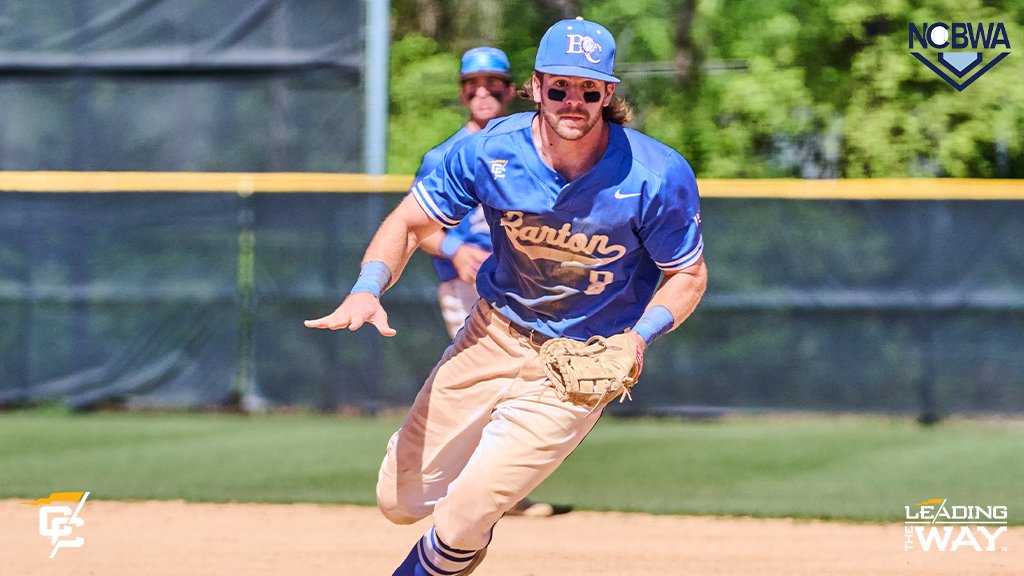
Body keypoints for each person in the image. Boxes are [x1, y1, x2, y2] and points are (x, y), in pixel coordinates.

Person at [305, 17, 707, 575]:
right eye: (559, 86)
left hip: (579, 363)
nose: (574, 100)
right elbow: (407, 222)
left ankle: (476, 513)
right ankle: (479, 509)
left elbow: (687, 275)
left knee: (460, 519)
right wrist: (367, 288)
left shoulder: (655, 174)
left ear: (607, 94)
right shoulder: (491, 149)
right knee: (399, 503)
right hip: (489, 335)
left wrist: (637, 339)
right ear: (536, 87)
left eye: (589, 88)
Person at [413, 46, 555, 519]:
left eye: (492, 81)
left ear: (511, 89)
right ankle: (483, 492)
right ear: (460, 91)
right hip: (466, 288)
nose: (482, 90)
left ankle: (492, 489)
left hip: (525, 289)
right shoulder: (443, 155)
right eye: (471, 83)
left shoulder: (533, 149)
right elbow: (417, 226)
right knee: (487, 387)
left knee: (525, 387)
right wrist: (457, 249)